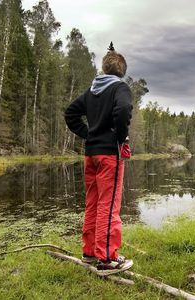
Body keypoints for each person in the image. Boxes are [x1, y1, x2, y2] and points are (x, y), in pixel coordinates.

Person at [64, 42, 133, 271]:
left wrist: (88, 134)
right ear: (122, 71)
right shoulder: (120, 88)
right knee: (109, 204)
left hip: (91, 155)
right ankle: (107, 258)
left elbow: (71, 113)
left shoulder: (92, 91)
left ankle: (89, 253)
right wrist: (121, 138)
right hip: (109, 155)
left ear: (105, 69)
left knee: (93, 202)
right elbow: (123, 111)